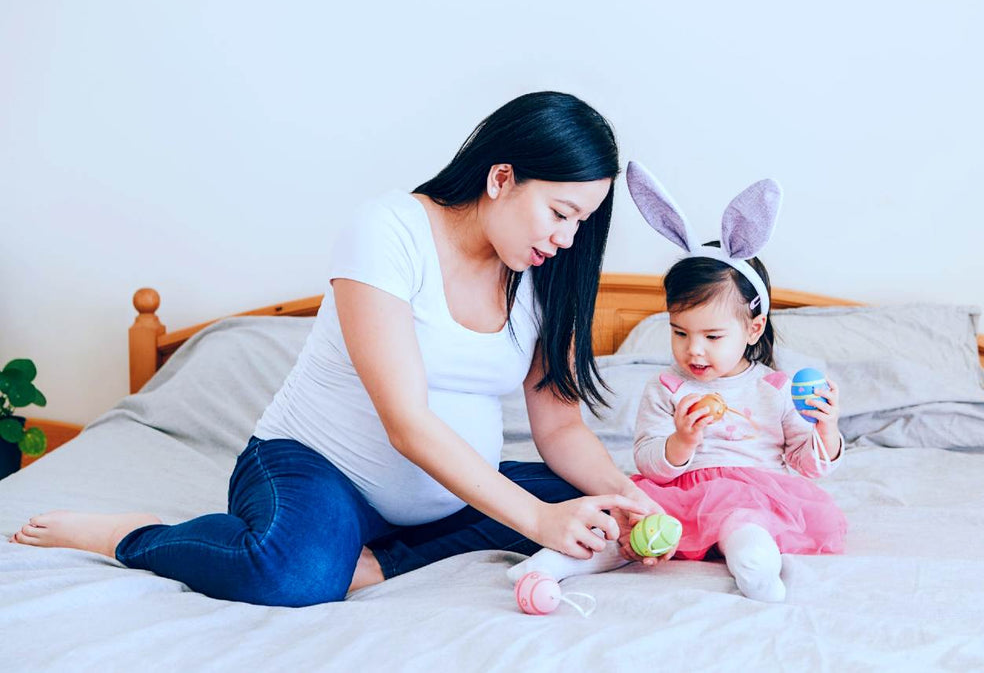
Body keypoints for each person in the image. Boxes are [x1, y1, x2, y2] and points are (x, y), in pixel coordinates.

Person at [10, 92, 662, 607]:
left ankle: (381, 561)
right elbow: (406, 423)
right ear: (501, 177)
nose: (570, 238)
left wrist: (632, 498)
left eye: (583, 220)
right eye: (560, 211)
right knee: (293, 574)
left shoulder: (545, 276)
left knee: (592, 507)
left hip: (450, 493)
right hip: (317, 469)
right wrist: (538, 521)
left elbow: (559, 423)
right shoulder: (389, 231)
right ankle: (134, 534)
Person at [506, 162, 847, 603]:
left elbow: (806, 466)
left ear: (754, 328)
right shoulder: (668, 389)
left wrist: (826, 429)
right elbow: (649, 462)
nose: (694, 350)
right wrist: (681, 442)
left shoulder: (776, 388)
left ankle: (758, 571)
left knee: (742, 525)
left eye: (712, 336)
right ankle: (547, 568)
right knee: (624, 528)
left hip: (754, 495)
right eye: (680, 332)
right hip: (678, 496)